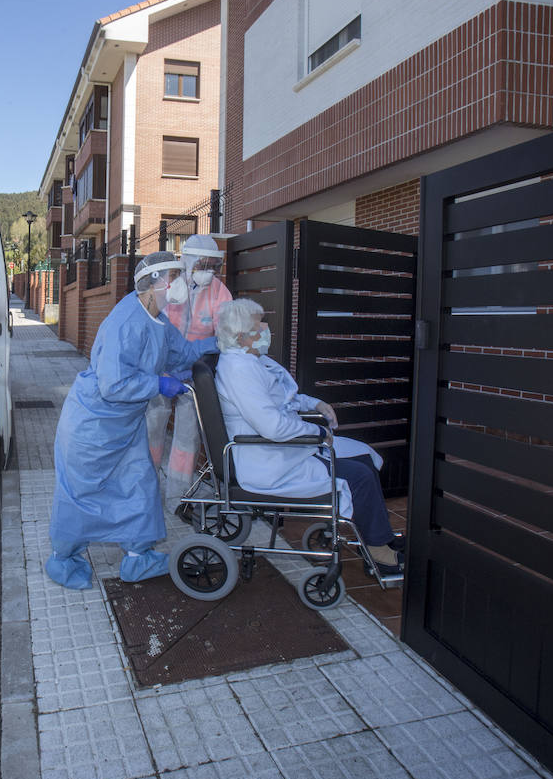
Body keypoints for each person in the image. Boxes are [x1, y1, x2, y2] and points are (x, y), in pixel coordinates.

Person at [45, 251, 220, 589]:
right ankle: (63, 557)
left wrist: (220, 342)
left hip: (125, 424)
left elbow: (180, 352)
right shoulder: (126, 321)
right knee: (82, 492)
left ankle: (139, 557)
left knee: (139, 483)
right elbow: (113, 384)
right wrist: (157, 383)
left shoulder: (157, 318)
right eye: (174, 277)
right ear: (153, 284)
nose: (179, 284)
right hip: (93, 425)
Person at [212, 297, 403, 574]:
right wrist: (316, 432)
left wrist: (314, 404)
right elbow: (273, 426)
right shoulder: (240, 370)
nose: (267, 329)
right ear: (242, 336)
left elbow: (283, 398)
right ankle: (379, 554)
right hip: (269, 459)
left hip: (284, 450)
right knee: (359, 476)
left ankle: (379, 538)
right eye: (259, 325)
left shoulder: (251, 360)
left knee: (363, 459)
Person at [146, 235, 233, 506]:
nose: (208, 271)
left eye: (213, 265)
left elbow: (227, 330)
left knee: (187, 437)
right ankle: (146, 491)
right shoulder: (169, 286)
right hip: (161, 372)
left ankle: (177, 497)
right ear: (189, 261)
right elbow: (151, 324)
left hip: (194, 374)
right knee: (152, 429)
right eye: (203, 264)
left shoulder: (219, 292)